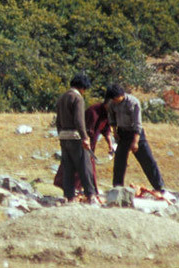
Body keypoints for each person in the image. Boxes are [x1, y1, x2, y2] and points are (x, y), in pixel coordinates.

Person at [105, 83, 165, 191]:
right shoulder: (112, 104)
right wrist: (115, 132)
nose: (115, 100)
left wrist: (135, 142)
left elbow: (138, 123)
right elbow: (112, 118)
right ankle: (117, 187)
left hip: (135, 133)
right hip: (122, 133)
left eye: (116, 98)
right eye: (113, 98)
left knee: (147, 160)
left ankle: (159, 187)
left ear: (121, 94)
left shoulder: (132, 102)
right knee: (119, 162)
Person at [54, 72, 98, 203]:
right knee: (84, 166)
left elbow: (58, 121)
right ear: (82, 87)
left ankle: (69, 196)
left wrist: (61, 135)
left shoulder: (62, 98)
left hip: (63, 137)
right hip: (75, 137)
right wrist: (85, 137)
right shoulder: (77, 98)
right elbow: (79, 120)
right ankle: (90, 195)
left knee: (68, 168)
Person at [53, 101, 115, 192]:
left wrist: (110, 144)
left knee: (88, 167)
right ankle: (77, 191)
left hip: (90, 144)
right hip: (80, 142)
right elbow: (86, 129)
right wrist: (86, 142)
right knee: (79, 166)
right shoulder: (93, 112)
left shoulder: (107, 113)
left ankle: (87, 191)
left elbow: (106, 130)